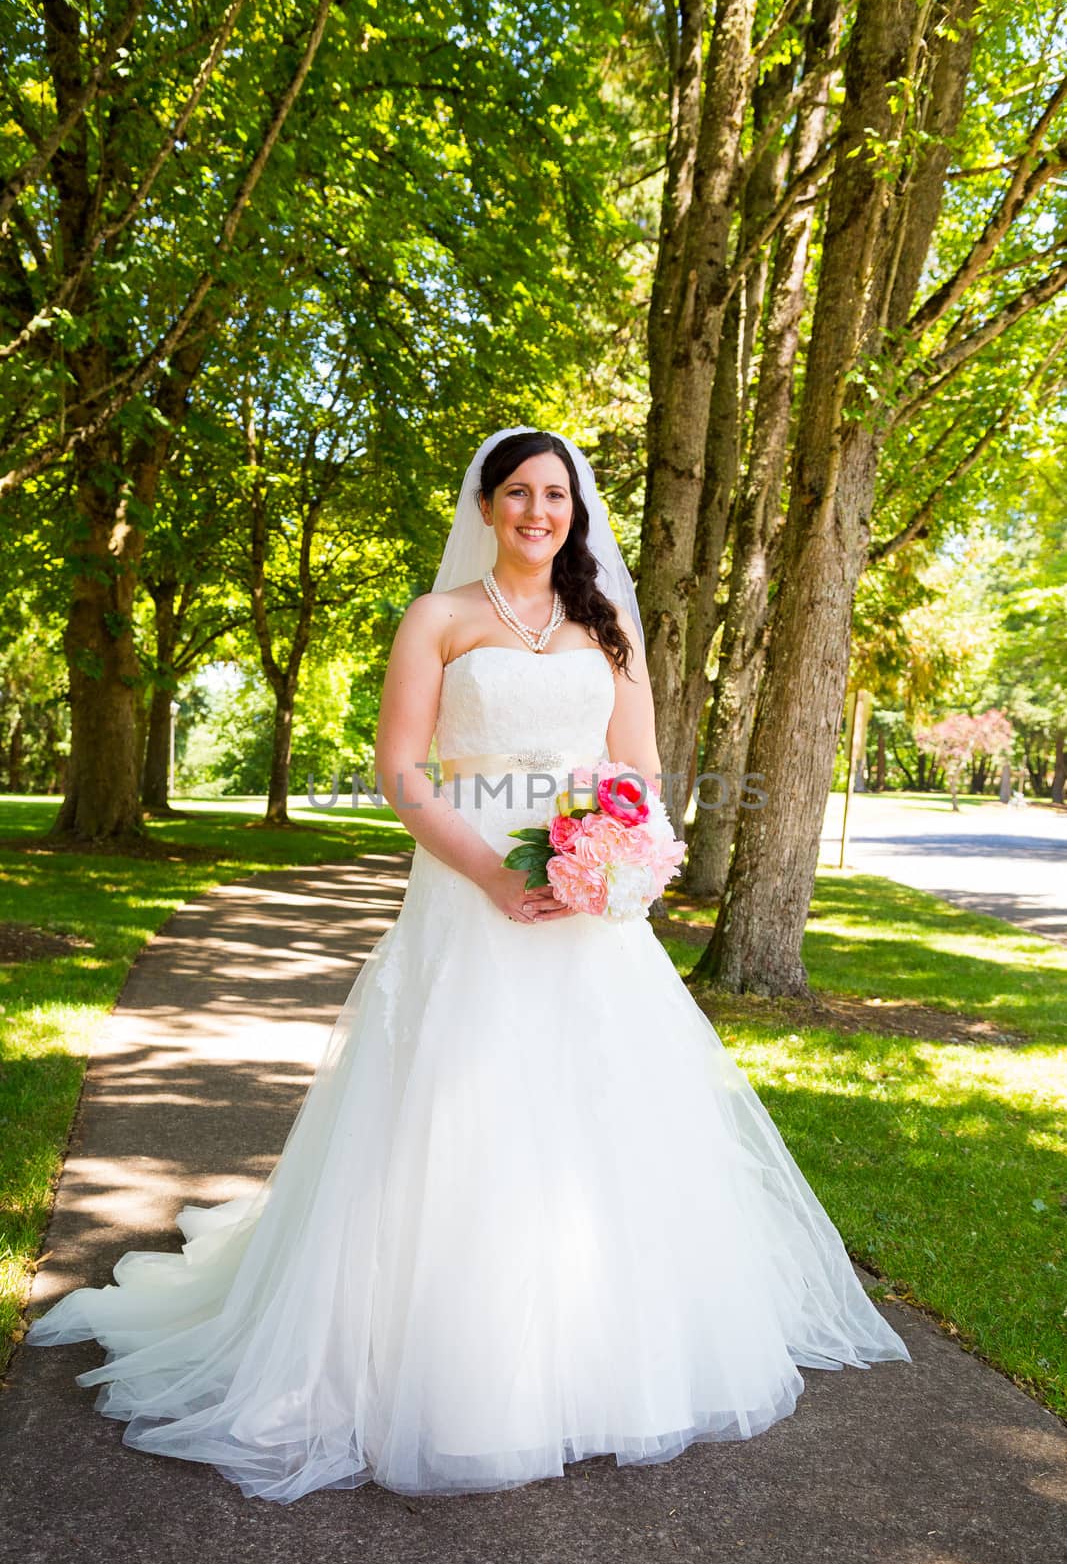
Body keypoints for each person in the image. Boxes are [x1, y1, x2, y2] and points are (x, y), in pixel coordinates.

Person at [25, 427, 911, 1503]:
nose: (539, 511)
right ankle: (442, 1368)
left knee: (602, 1116)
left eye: (557, 495)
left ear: (576, 513)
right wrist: (496, 874)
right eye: (519, 494)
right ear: (486, 506)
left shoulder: (606, 625)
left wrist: (611, 857)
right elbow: (401, 771)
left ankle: (601, 1358)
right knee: (456, 1109)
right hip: (470, 893)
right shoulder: (436, 621)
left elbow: (635, 768)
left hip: (588, 911)